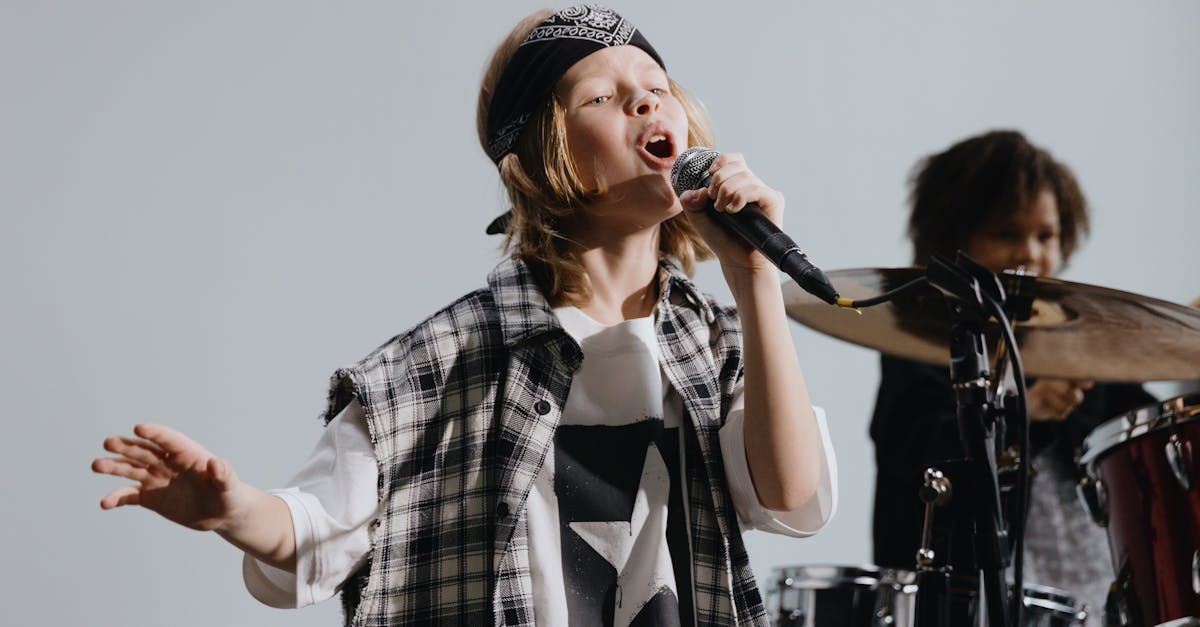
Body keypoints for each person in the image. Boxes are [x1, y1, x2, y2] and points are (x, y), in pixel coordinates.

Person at [91, 6, 837, 626]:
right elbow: (312, 527)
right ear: (545, 157)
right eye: (600, 98)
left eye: (655, 86)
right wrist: (231, 507)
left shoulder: (718, 341)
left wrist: (755, 280)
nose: (644, 101)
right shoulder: (434, 364)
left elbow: (789, 494)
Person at [869, 129, 1154, 622]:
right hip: (970, 605)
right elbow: (916, 456)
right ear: (951, 239)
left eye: (1046, 235)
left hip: (1089, 603)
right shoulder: (921, 349)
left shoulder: (1084, 352)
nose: (1031, 252)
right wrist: (1023, 408)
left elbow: (1148, 432)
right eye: (1005, 234)